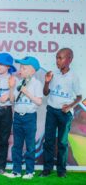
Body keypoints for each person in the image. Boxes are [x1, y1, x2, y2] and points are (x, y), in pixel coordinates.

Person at [39, 48, 82, 178]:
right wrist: (46, 82)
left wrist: (69, 106)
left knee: (62, 143)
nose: (57, 61)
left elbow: (79, 97)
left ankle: (61, 171)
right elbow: (45, 93)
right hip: (51, 111)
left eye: (60, 58)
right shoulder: (53, 75)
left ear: (69, 59)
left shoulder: (74, 77)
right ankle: (47, 169)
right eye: (57, 57)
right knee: (49, 141)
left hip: (65, 114)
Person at [6, 56, 43, 180]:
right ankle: (16, 170)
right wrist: (11, 87)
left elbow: (39, 102)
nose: (21, 70)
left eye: (24, 68)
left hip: (29, 117)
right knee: (17, 145)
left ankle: (29, 171)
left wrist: (27, 92)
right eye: (20, 68)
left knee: (30, 146)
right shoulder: (18, 82)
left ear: (33, 71)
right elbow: (12, 101)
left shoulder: (37, 84)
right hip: (17, 117)